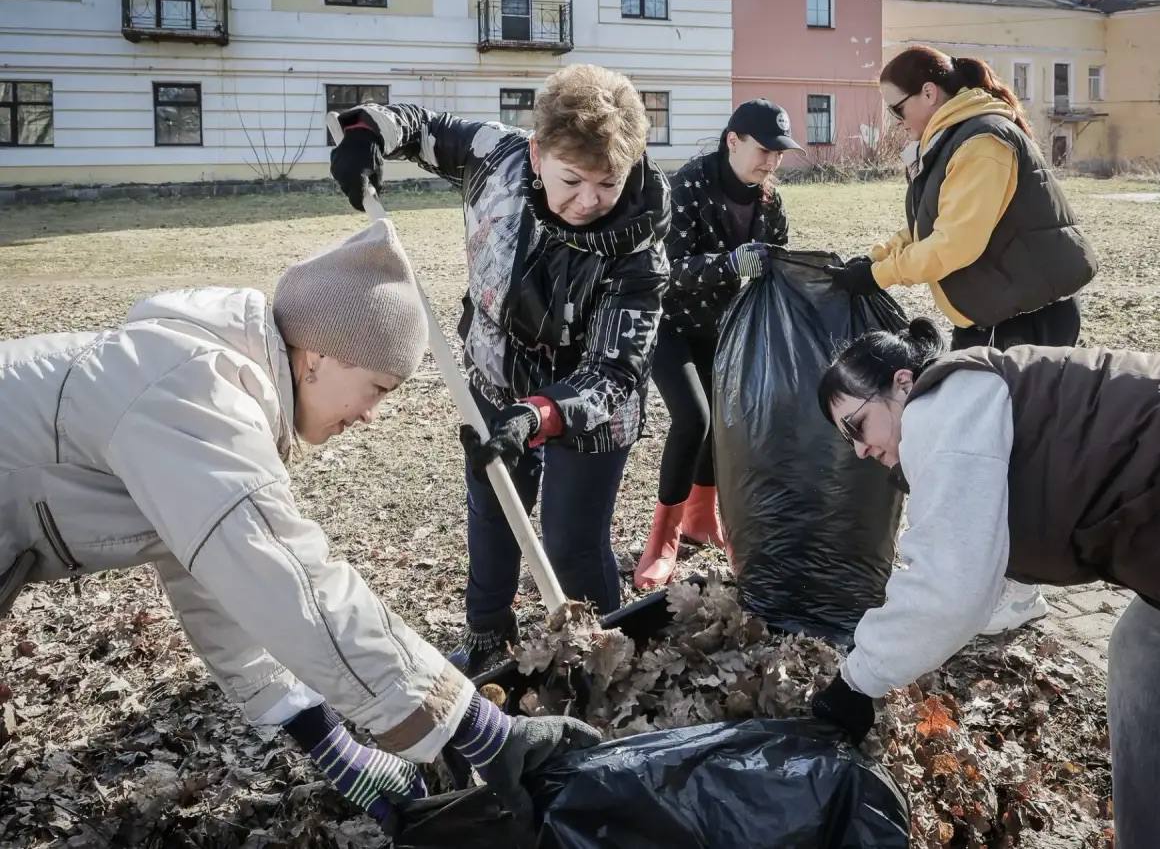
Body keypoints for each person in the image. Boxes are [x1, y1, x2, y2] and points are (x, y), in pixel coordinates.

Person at [0, 221, 600, 831]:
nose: (371, 416)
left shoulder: (206, 389)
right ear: (316, 358)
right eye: (376, 388)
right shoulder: (196, 395)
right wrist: (482, 729)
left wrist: (336, 752)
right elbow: (292, 577)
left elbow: (223, 585)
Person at [809, 318, 1160, 848]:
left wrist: (857, 680)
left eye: (857, 425)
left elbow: (949, 586)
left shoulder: (943, 407)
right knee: (1142, 653)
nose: (859, 450)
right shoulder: (960, 404)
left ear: (900, 382)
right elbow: (972, 567)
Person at [329, 64, 670, 673]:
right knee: (493, 506)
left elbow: (615, 372)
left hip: (587, 410)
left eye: (607, 183)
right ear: (538, 154)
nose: (588, 201)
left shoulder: (640, 249)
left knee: (572, 542)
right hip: (493, 376)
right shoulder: (499, 157)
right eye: (572, 180)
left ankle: (601, 662)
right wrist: (366, 135)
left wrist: (539, 415)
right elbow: (420, 126)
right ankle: (489, 637)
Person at [826, 45, 1099, 632]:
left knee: (1020, 456)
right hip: (994, 312)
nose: (894, 120)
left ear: (929, 93)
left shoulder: (983, 141)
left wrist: (877, 276)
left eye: (897, 108)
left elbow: (957, 244)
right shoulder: (946, 140)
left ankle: (1023, 591)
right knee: (989, 448)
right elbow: (924, 225)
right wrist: (872, 258)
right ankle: (997, 575)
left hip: (1028, 316)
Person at [633, 98, 798, 589]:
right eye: (763, 149)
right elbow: (665, 270)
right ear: (732, 141)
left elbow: (779, 257)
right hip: (667, 323)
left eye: (779, 152)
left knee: (722, 418)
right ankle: (662, 539)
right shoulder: (686, 187)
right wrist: (730, 263)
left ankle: (701, 520)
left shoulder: (769, 200)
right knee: (693, 416)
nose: (771, 161)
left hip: (723, 328)